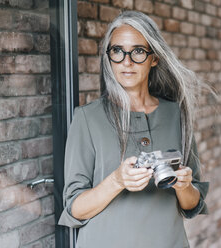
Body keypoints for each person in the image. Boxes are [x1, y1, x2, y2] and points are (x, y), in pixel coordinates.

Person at [58, 11, 210, 248]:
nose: (126, 62)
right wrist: (117, 180)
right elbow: (74, 209)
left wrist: (184, 186)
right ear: (108, 58)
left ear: (154, 58)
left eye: (138, 51)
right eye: (117, 51)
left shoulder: (176, 114)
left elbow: (192, 205)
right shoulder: (87, 118)